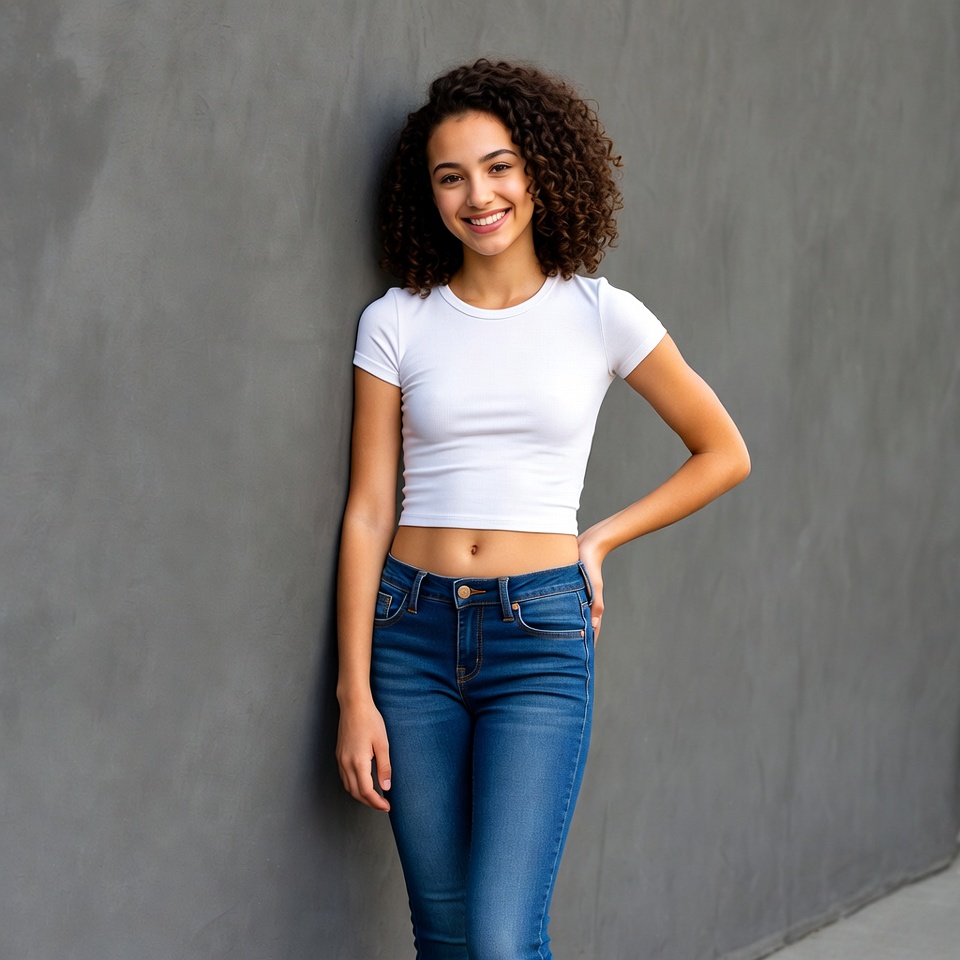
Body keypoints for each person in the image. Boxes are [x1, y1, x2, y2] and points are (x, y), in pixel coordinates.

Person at [336, 59, 750, 960]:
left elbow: (724, 453)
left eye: (499, 166)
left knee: (499, 934)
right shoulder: (396, 321)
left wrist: (599, 536)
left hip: (539, 641)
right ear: (429, 195)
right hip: (407, 637)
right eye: (452, 176)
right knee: (443, 932)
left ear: (540, 173)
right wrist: (354, 690)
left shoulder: (601, 314)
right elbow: (369, 510)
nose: (478, 195)